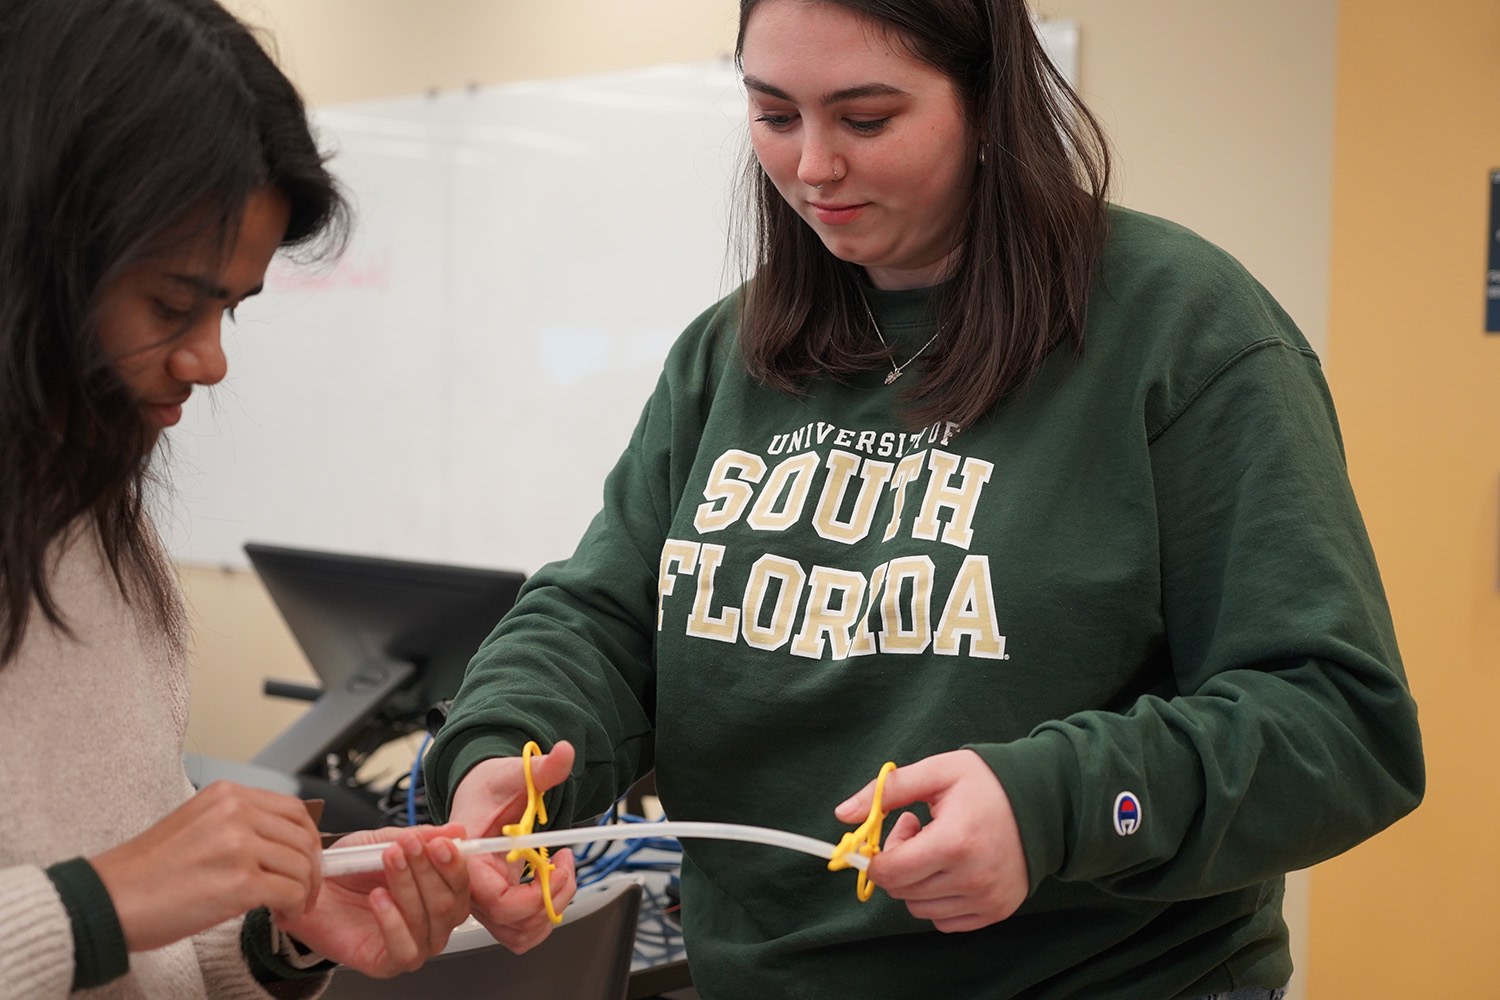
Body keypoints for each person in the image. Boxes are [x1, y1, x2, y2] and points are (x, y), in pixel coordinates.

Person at [425, 1, 1425, 997]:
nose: (813, 166)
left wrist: (1053, 807)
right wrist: (504, 748)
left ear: (989, 104)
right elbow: (601, 619)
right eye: (775, 115)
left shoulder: (1182, 329)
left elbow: (1339, 725)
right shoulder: (728, 352)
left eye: (865, 119)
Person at [0, 0, 472, 996]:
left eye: (231, 307)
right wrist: (99, 901)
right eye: (173, 304)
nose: (210, 359)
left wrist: (276, 929)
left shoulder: (94, 516)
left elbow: (147, 919)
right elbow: (112, 898)